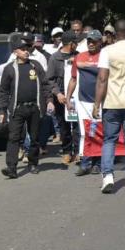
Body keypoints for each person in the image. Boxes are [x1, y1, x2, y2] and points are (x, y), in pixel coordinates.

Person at [93, 20, 125, 193]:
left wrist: (96, 104)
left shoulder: (107, 51)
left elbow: (102, 79)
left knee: (109, 140)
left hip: (112, 102)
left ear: (115, 33)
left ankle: (107, 176)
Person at [0, 39, 51, 178]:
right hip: (17, 109)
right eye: (22, 49)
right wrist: (3, 110)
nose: (26, 51)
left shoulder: (35, 65)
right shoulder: (9, 68)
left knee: (34, 138)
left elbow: (45, 84)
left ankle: (33, 163)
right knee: (13, 138)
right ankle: (11, 168)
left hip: (35, 107)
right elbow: (3, 91)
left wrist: (49, 101)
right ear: (15, 52)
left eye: (27, 48)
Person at [67, 30, 103, 176]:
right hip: (83, 102)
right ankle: (86, 163)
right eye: (89, 41)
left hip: (101, 102)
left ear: (100, 42)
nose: (91, 44)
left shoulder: (105, 57)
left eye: (94, 41)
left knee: (99, 132)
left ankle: (98, 163)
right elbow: (73, 79)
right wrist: (68, 98)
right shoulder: (79, 57)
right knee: (86, 132)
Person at [46, 31, 79, 164]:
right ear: (71, 44)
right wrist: (58, 93)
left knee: (77, 126)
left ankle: (78, 151)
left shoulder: (78, 56)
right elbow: (49, 79)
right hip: (60, 97)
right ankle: (67, 151)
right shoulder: (54, 58)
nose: (77, 45)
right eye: (75, 42)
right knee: (64, 126)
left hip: (76, 96)